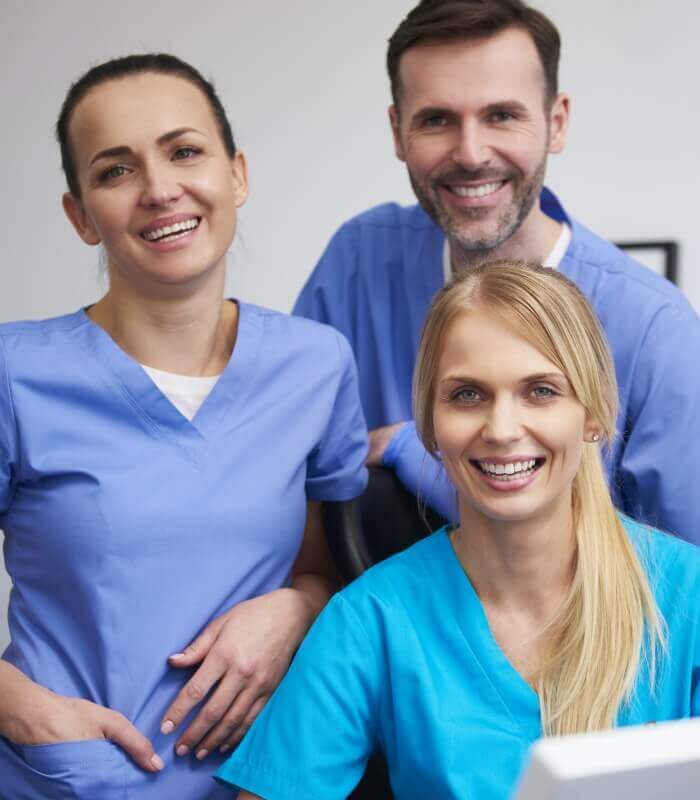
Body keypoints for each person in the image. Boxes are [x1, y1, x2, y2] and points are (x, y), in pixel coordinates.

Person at [0, 54, 367, 799]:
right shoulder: (15, 372)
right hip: (64, 781)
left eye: (184, 151)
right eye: (115, 171)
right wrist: (25, 711)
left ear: (236, 175)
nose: (160, 189)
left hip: (260, 783)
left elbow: (326, 568)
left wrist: (299, 607)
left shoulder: (315, 366)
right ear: (80, 215)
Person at [217, 261, 700, 800]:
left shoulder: (687, 595)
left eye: (540, 391)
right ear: (430, 424)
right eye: (467, 395)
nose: (501, 430)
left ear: (592, 415)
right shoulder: (372, 620)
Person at [293, 0, 700, 544]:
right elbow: (291, 472)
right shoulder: (359, 261)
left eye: (501, 115)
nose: (470, 153)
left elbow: (679, 581)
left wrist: (409, 449)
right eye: (437, 120)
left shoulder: (656, 327)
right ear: (397, 131)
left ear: (556, 123)